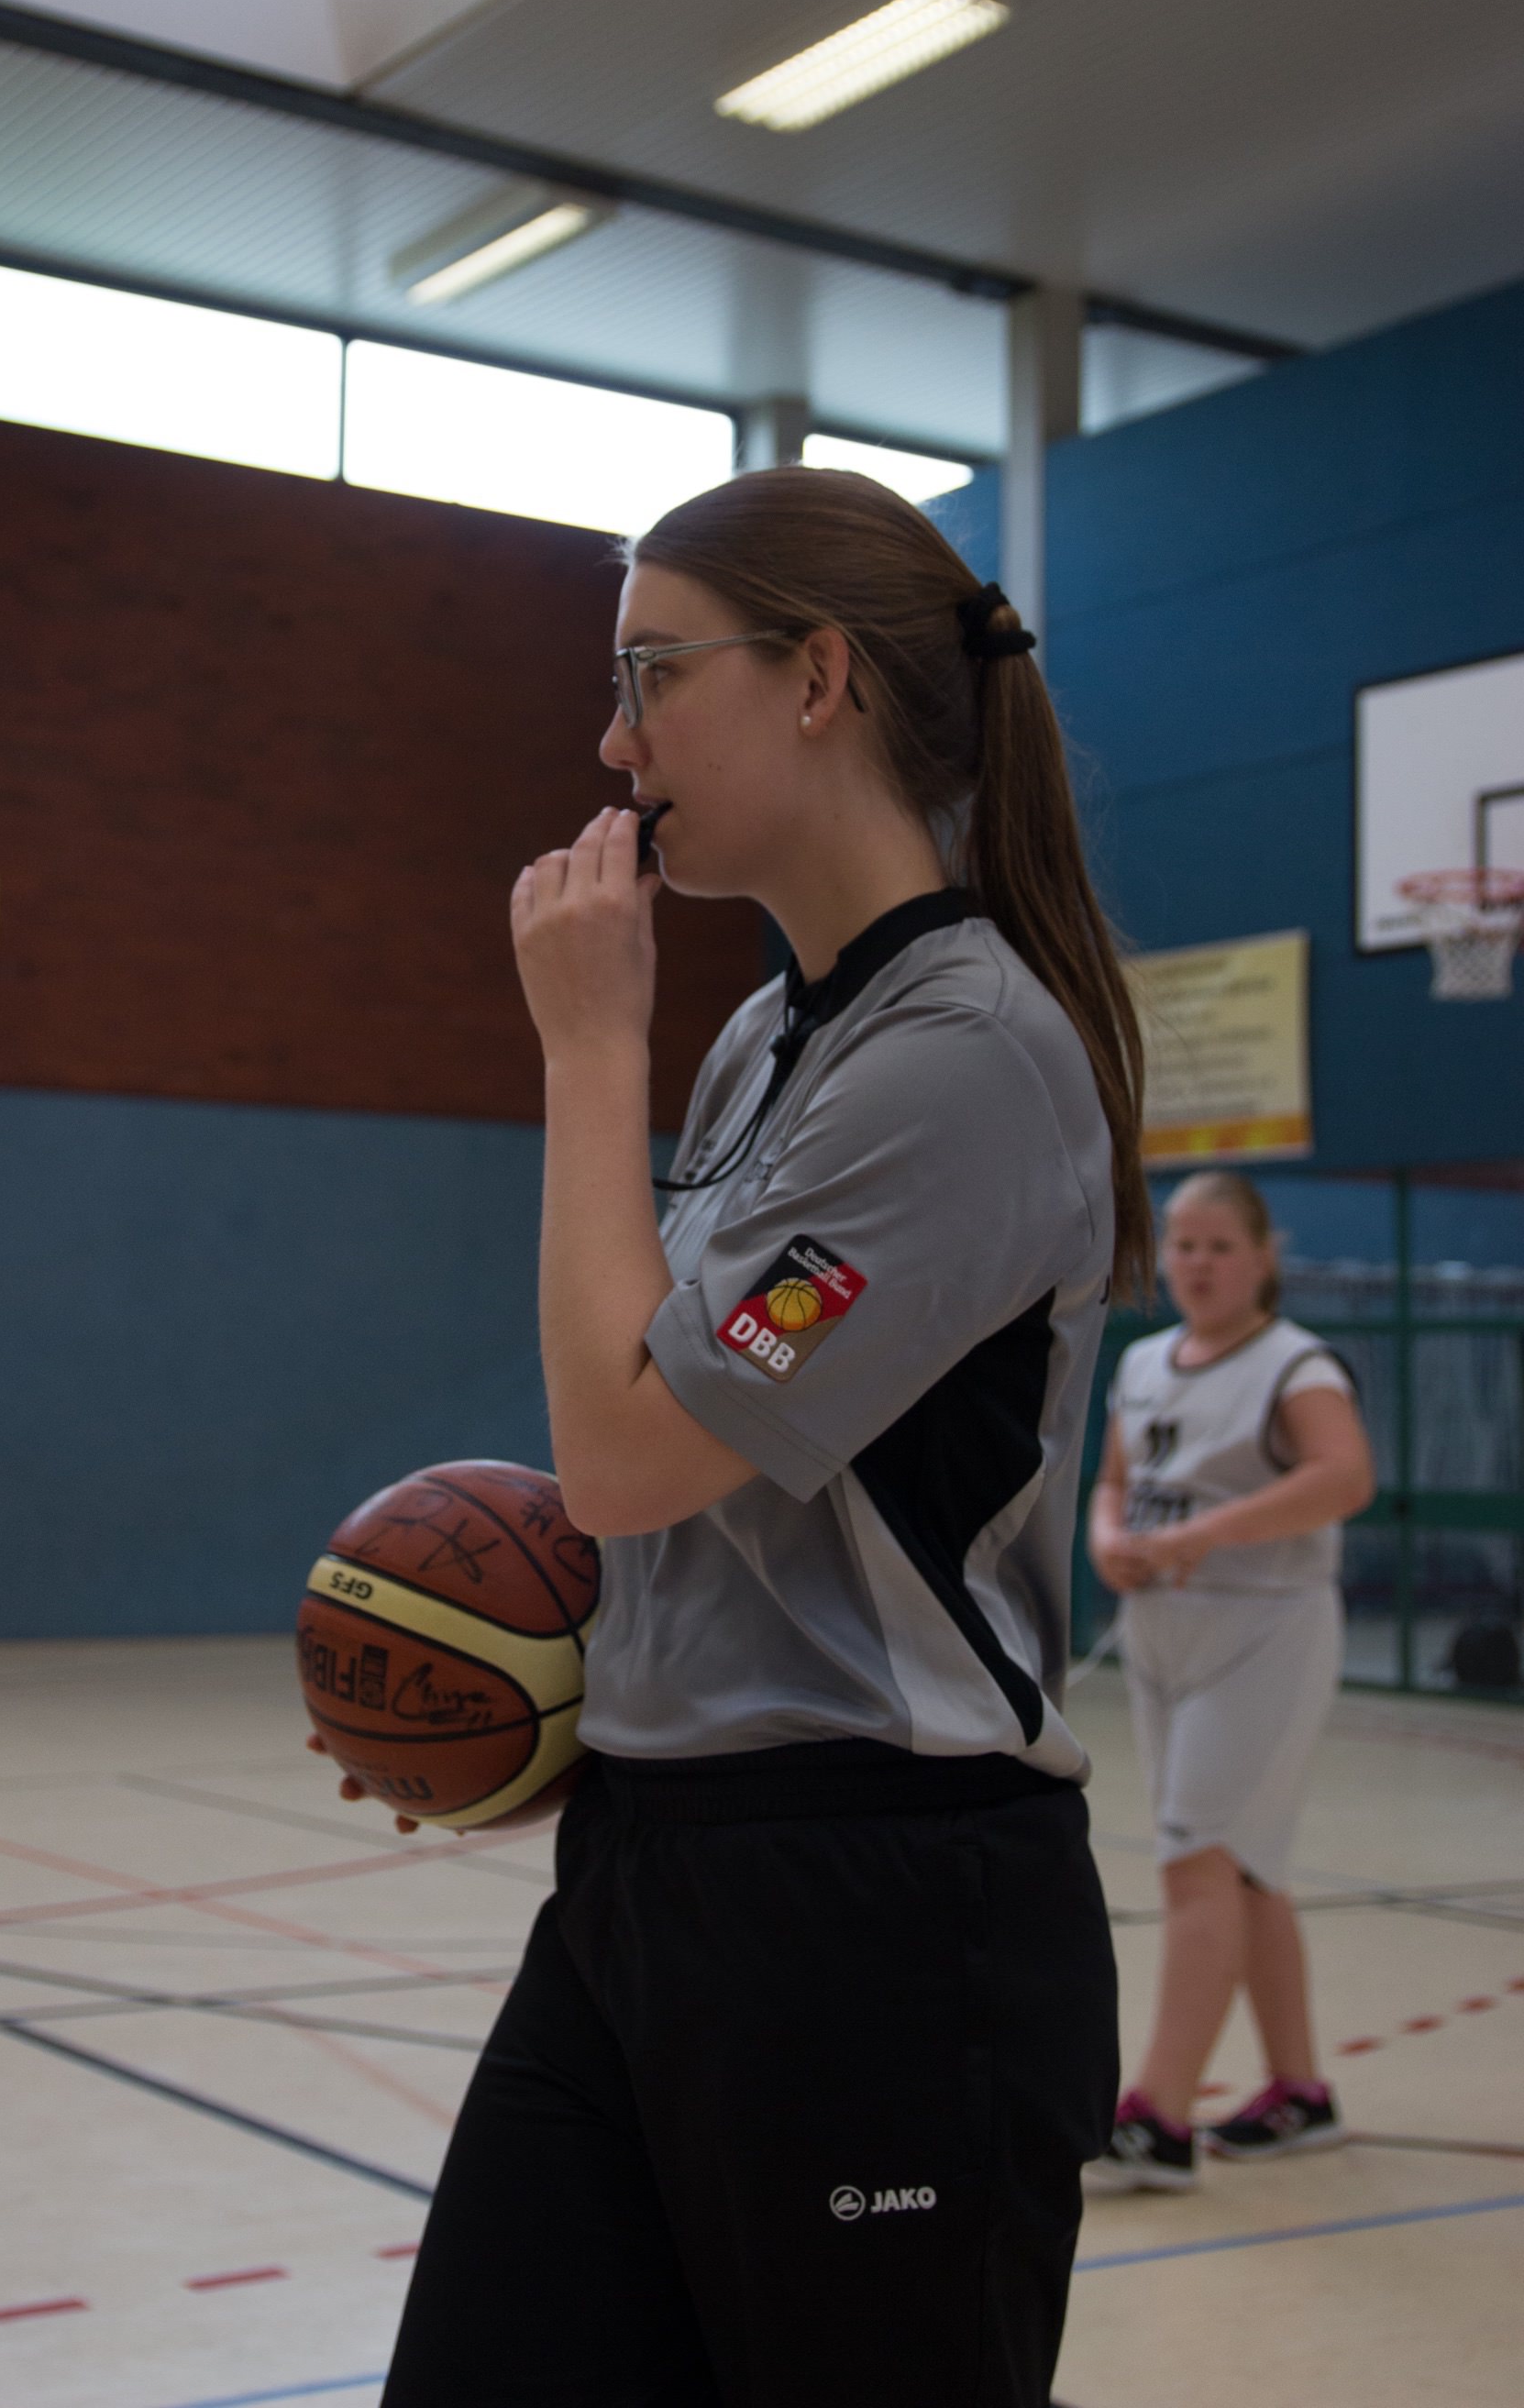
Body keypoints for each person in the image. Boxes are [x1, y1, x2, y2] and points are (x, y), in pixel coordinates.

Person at [373, 468, 1151, 2408]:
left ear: (816, 678)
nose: (613, 743)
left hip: (883, 1921)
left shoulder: (965, 1061)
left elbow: (629, 1453)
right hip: (654, 1875)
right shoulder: (770, 1038)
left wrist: (584, 1050)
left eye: (652, 674)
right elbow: (669, 1477)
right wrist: (523, 1674)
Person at [1084, 1171, 1375, 2193]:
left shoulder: (1293, 1364)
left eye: (1219, 1246)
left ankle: (1159, 2118)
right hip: (1164, 1632)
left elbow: (1343, 1476)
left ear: (1262, 1256)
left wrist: (1202, 1534)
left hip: (1264, 1631)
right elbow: (1114, 1482)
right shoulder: (1144, 1362)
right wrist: (1109, 1540)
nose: (1198, 1263)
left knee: (1196, 1860)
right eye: (1183, 1244)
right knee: (1246, 1867)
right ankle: (1299, 2091)